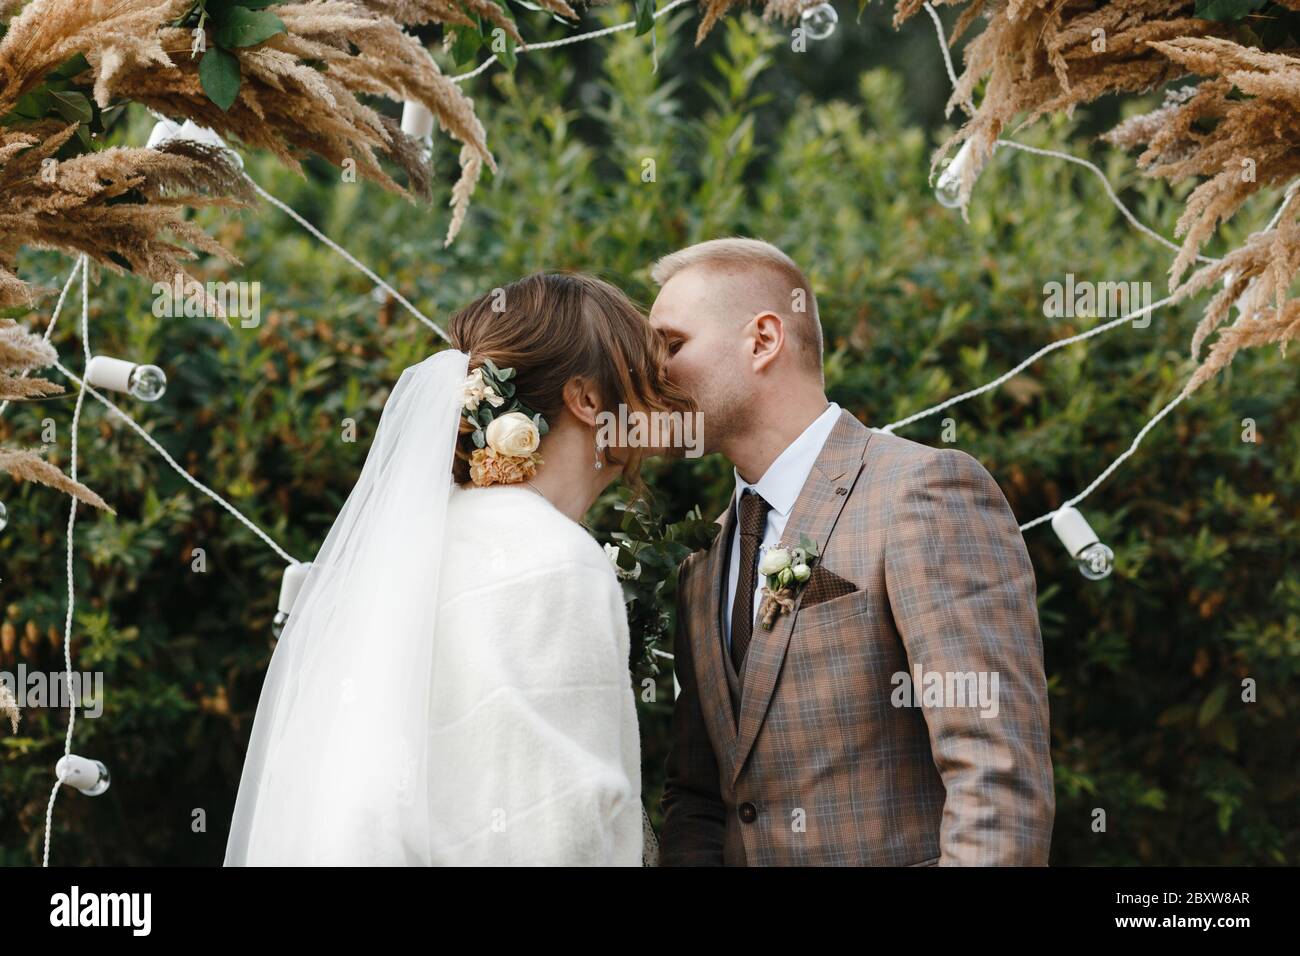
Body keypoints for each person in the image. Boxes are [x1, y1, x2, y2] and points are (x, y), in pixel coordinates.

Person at [225, 273, 687, 865]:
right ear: (589, 400)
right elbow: (557, 822)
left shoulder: (420, 541)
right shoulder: (553, 560)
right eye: (640, 378)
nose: (659, 399)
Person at [651, 238, 1055, 866]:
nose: (653, 372)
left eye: (672, 345)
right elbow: (699, 798)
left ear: (762, 340)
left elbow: (995, 771)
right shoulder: (701, 562)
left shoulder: (922, 492)